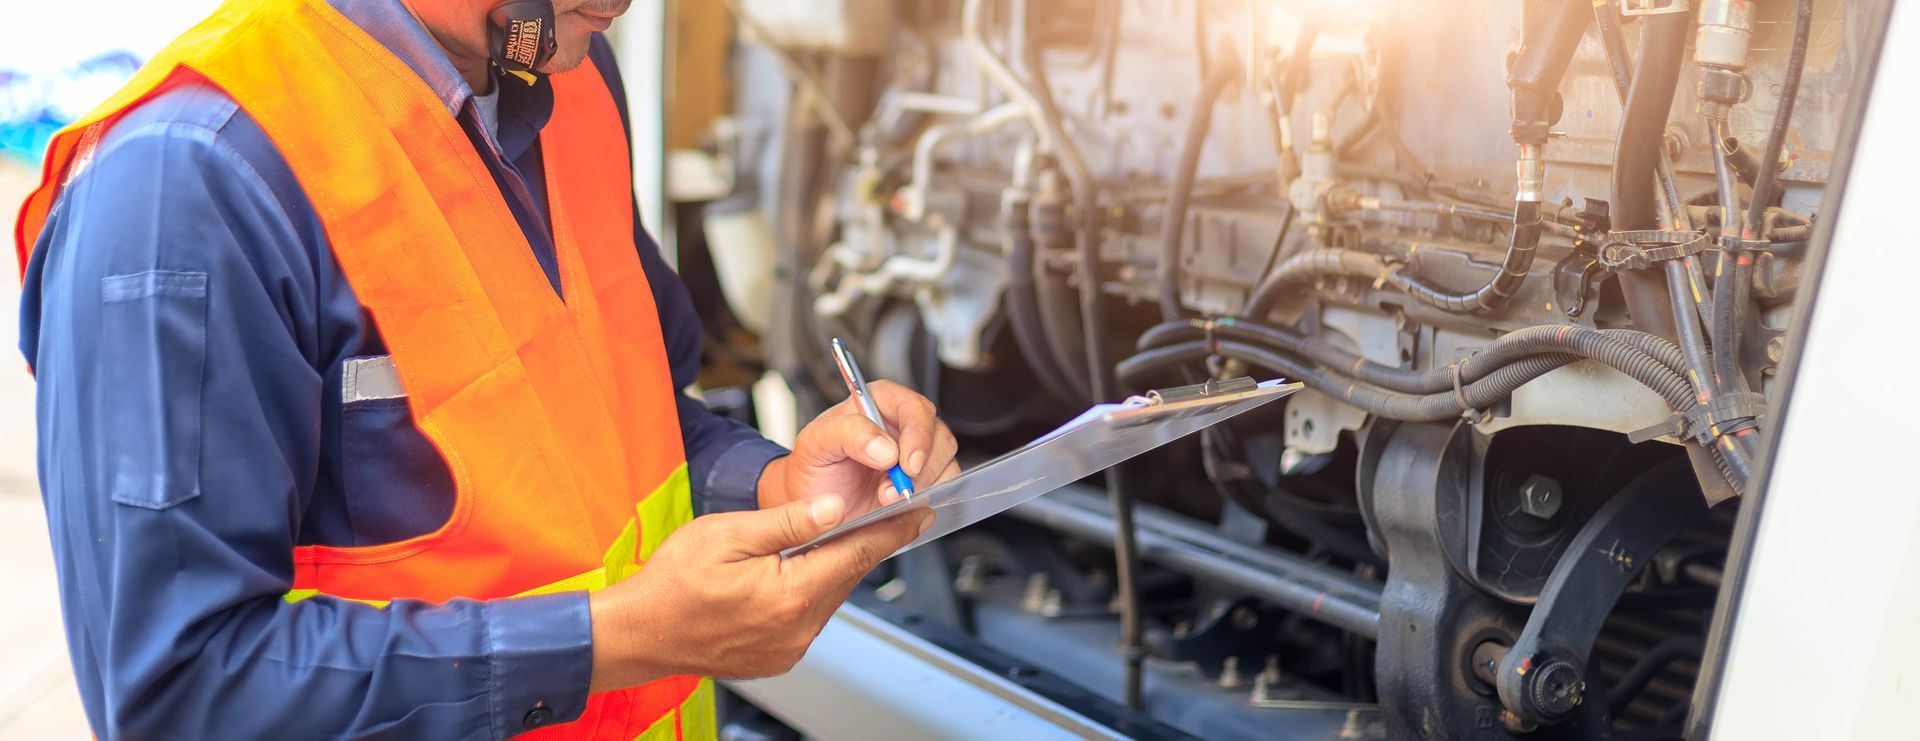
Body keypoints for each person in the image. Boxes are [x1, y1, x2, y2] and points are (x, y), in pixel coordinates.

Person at [12, 0, 959, 737]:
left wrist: (775, 480)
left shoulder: (568, 74)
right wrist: (616, 639)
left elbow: (626, 421)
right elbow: (178, 690)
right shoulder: (187, 185)